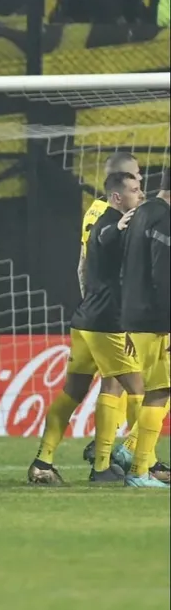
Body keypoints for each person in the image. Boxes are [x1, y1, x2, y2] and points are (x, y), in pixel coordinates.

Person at [28, 170, 145, 485]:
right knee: (142, 393)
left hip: (86, 321)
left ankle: (43, 462)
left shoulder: (106, 222)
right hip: (108, 323)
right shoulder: (109, 225)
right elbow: (106, 237)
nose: (141, 194)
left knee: (73, 393)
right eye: (135, 189)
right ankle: (122, 461)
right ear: (117, 196)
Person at [119, 168, 170, 488]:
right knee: (160, 391)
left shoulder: (141, 214)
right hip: (156, 320)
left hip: (134, 316)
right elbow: (162, 276)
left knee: (161, 388)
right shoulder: (164, 219)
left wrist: (124, 321)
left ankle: (130, 450)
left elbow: (123, 268)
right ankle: (138, 472)